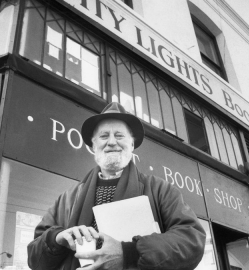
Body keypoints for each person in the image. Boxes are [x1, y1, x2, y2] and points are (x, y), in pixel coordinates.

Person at [27, 102, 206, 270]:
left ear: (132, 144)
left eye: (119, 135)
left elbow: (192, 240)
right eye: (104, 136)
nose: (112, 142)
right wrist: (57, 239)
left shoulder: (160, 189)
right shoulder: (67, 199)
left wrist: (129, 252)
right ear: (93, 145)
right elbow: (34, 258)